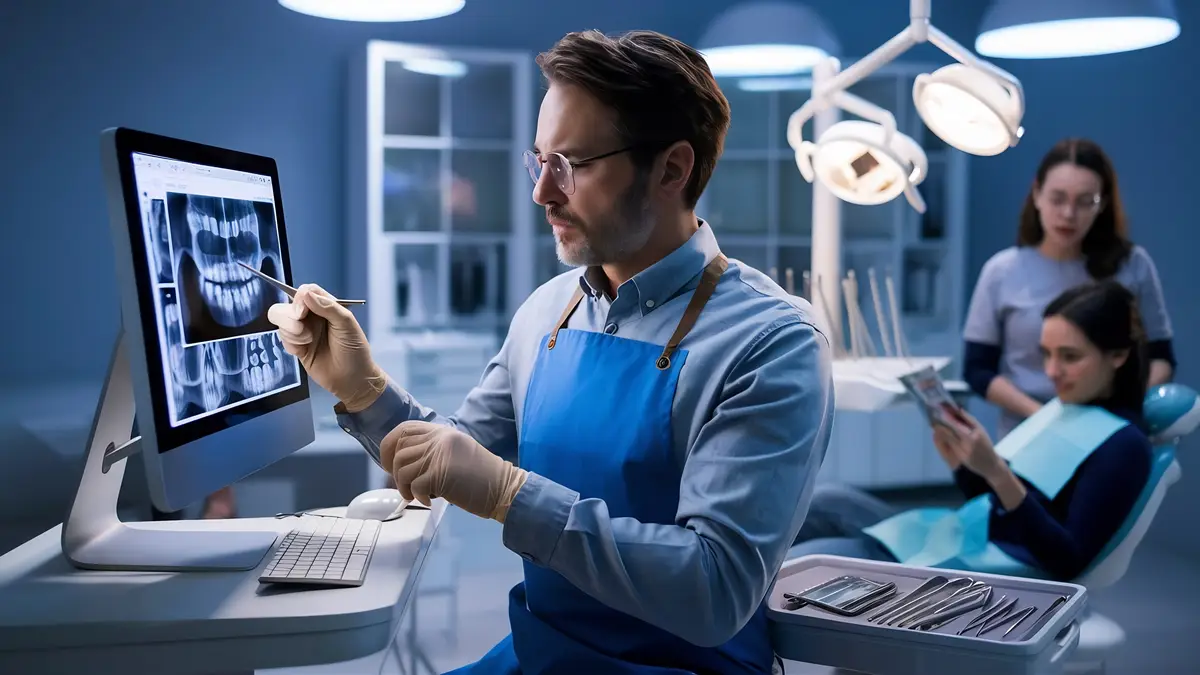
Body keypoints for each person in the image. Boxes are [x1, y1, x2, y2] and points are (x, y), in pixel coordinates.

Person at [268, 29, 835, 675]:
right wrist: (364, 390)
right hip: (542, 651)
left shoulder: (770, 343)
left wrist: (511, 493)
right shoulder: (548, 310)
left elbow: (713, 591)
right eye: (538, 160)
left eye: (573, 164)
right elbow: (452, 455)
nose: (542, 192)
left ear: (672, 169)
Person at [787, 280, 1153, 582]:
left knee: (791, 567)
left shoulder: (1124, 447)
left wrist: (996, 470)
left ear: (1118, 355)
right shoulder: (1065, 408)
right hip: (960, 532)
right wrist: (964, 464)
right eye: (1047, 354)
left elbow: (1066, 560)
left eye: (1070, 357)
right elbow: (990, 500)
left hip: (982, 568)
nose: (1052, 371)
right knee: (827, 499)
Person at [963, 138, 1175, 439]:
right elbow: (977, 370)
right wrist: (1043, 418)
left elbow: (1161, 356)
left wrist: (1118, 411)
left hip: (1109, 431)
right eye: (1057, 199)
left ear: (1102, 204)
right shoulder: (1002, 272)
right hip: (1027, 433)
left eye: (1085, 201)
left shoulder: (1133, 265)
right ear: (1037, 194)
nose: (1068, 214)